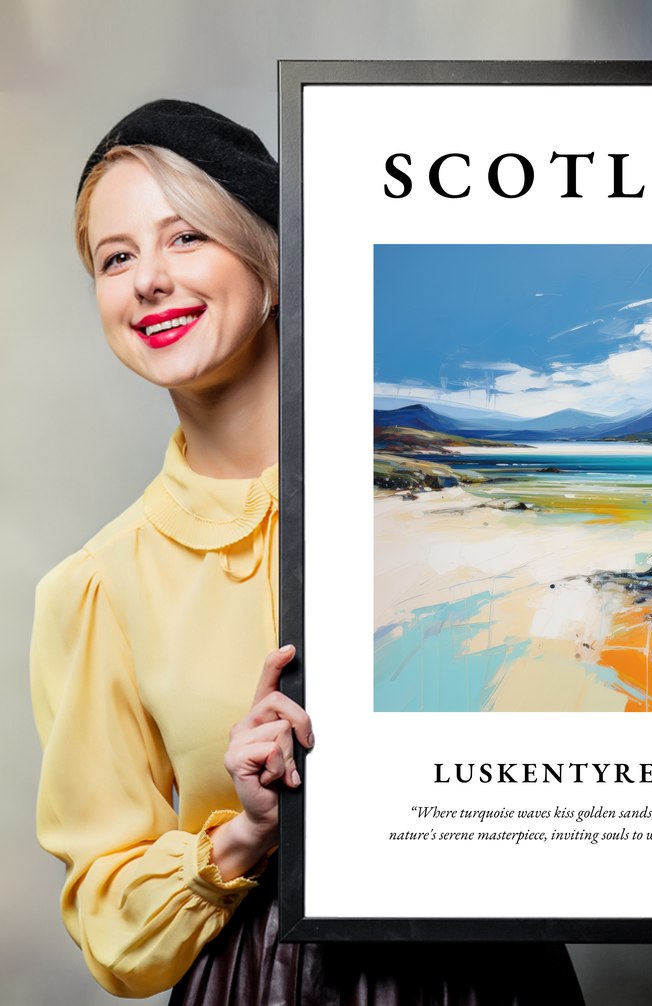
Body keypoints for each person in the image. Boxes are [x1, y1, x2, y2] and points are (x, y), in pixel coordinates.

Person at [30, 100, 585, 1004]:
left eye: (186, 239)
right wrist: (245, 832)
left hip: (493, 973)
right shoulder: (98, 587)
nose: (148, 281)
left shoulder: (454, 500)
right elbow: (110, 924)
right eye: (116, 257)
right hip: (262, 982)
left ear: (273, 264)